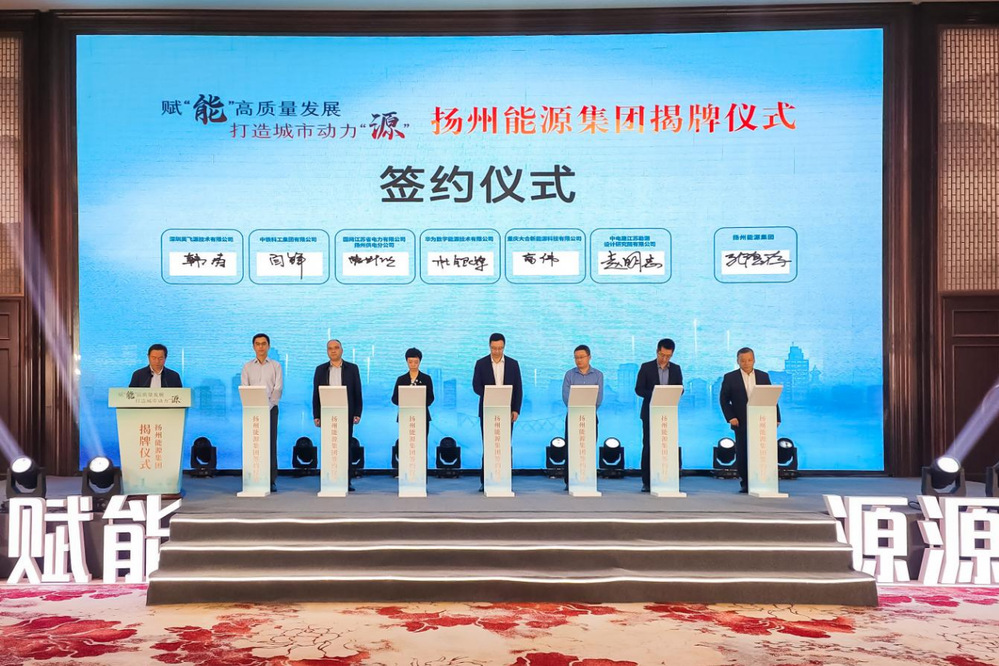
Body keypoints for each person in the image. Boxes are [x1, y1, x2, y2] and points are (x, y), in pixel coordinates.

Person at [719, 347, 781, 493]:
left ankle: (764, 479)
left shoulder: (763, 376)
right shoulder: (730, 377)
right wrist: (731, 417)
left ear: (754, 360)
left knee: (762, 450)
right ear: (737, 361)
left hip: (761, 420)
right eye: (743, 360)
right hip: (741, 421)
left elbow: (771, 397)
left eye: (749, 360)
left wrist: (776, 417)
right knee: (743, 452)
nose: (746, 363)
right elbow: (724, 400)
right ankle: (746, 482)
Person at [472, 333, 523, 490]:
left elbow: (518, 389)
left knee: (504, 445)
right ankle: (485, 480)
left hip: (507, 412)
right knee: (489, 445)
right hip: (487, 411)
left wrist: (516, 409)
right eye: (494, 348)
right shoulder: (481, 363)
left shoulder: (513, 364)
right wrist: (491, 395)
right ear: (489, 346)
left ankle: (504, 478)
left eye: (500, 348)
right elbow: (476, 386)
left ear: (504, 347)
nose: (497, 351)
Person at [634, 338, 684, 492]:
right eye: (662, 355)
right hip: (650, 413)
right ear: (657, 351)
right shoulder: (646, 367)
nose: (664, 359)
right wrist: (657, 394)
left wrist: (673, 393)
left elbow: (680, 388)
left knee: (667, 445)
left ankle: (666, 478)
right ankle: (647, 481)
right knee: (648, 446)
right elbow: (639, 389)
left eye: (668, 356)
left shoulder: (676, 369)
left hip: (668, 413)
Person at [241, 333, 282, 492]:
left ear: (268, 346)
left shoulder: (276, 366)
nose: (261, 347)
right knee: (253, 443)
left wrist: (268, 406)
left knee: (270, 443)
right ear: (253, 347)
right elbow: (244, 387)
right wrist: (254, 406)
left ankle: (271, 479)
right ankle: (253, 477)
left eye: (264, 344)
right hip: (252, 411)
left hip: (271, 410)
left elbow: (278, 388)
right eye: (257, 344)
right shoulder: (247, 366)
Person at [561, 344, 604, 490]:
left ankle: (588, 478)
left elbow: (599, 398)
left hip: (590, 416)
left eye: (581, 357)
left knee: (589, 447)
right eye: (576, 358)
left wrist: (589, 410)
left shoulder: (598, 375)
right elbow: (566, 396)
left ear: (589, 357)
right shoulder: (569, 375)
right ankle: (570, 480)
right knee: (571, 448)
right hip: (573, 417)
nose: (578, 360)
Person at [312, 339, 364, 440]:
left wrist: (357, 413)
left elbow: (357, 392)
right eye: (330, 348)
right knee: (329, 442)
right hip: (327, 413)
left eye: (336, 348)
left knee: (346, 442)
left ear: (342, 350)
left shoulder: (352, 368)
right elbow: (316, 394)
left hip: (347, 412)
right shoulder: (320, 369)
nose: (333, 351)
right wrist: (316, 415)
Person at [391, 347, 435, 436]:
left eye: (416, 362)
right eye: (410, 362)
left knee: (422, 440)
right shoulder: (401, 379)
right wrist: (406, 402)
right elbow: (394, 398)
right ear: (406, 361)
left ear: (420, 362)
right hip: (405, 415)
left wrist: (419, 403)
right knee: (407, 440)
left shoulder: (426, 378)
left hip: (422, 415)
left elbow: (431, 398)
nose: (413, 364)